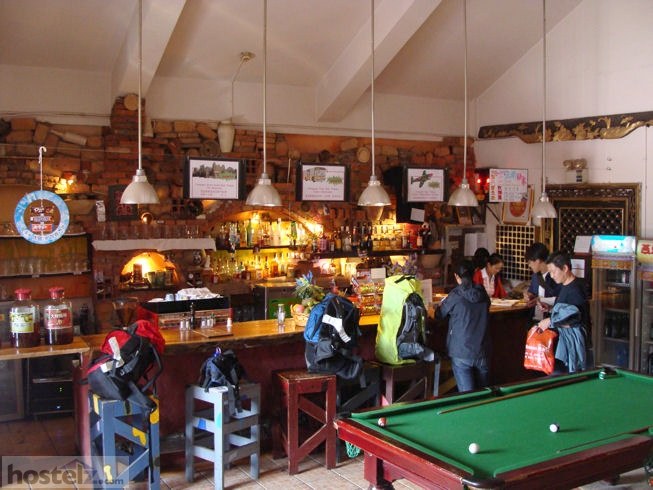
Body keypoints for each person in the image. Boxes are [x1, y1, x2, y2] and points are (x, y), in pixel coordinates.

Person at [436, 260, 491, 392]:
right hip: (482, 351)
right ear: (474, 273)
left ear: (456, 276)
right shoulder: (482, 292)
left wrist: (439, 306)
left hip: (461, 352)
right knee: (485, 394)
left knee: (468, 396)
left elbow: (439, 315)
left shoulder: (455, 295)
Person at [537, 251, 590, 373]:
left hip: (572, 347)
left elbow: (575, 319)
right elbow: (565, 309)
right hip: (564, 343)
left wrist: (550, 321)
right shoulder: (565, 285)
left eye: (553, 271)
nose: (551, 276)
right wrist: (550, 309)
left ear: (565, 268)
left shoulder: (575, 289)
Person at [524, 242, 561, 321]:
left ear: (538, 261)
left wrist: (540, 300)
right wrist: (529, 295)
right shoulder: (535, 276)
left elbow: (560, 299)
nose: (529, 265)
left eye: (529, 262)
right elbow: (532, 292)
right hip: (535, 318)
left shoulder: (555, 276)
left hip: (551, 319)